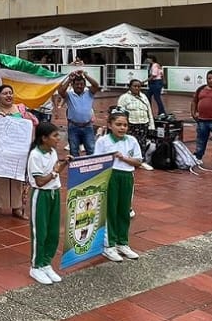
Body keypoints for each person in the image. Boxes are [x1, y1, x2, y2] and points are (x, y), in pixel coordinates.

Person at [93, 111, 144, 262]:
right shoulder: (103, 141)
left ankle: (123, 242)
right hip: (110, 176)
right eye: (118, 124)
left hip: (127, 176)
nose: (122, 128)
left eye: (125, 125)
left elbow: (138, 161)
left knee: (124, 210)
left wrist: (124, 158)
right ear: (110, 125)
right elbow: (97, 161)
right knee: (110, 210)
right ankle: (109, 245)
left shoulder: (132, 141)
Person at [0, 85, 37, 220]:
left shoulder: (20, 110)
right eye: (5, 93)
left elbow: (32, 125)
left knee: (17, 180)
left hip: (17, 152)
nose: (8, 96)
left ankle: (17, 208)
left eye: (10, 93)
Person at [26, 121, 69, 285]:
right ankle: (35, 266)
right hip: (41, 195)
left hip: (54, 193)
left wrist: (63, 164)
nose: (59, 139)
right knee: (40, 231)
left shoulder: (52, 152)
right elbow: (40, 181)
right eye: (55, 135)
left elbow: (55, 172)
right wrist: (55, 172)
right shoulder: (35, 155)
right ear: (44, 138)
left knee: (53, 231)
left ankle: (46, 262)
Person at [57, 70, 100, 156]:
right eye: (77, 84)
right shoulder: (69, 95)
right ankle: (75, 168)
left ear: (85, 85)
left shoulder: (89, 93)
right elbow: (61, 91)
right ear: (72, 85)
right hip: (73, 126)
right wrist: (69, 80)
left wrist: (86, 76)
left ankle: (90, 167)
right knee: (73, 150)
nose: (79, 86)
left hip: (88, 126)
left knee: (91, 149)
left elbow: (96, 85)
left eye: (81, 84)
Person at [115, 79, 155, 147]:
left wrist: (152, 126)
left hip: (143, 125)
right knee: (130, 145)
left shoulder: (144, 97)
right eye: (135, 86)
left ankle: (141, 157)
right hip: (131, 126)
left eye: (139, 86)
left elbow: (149, 112)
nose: (137, 88)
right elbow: (119, 114)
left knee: (142, 145)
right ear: (130, 87)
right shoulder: (124, 98)